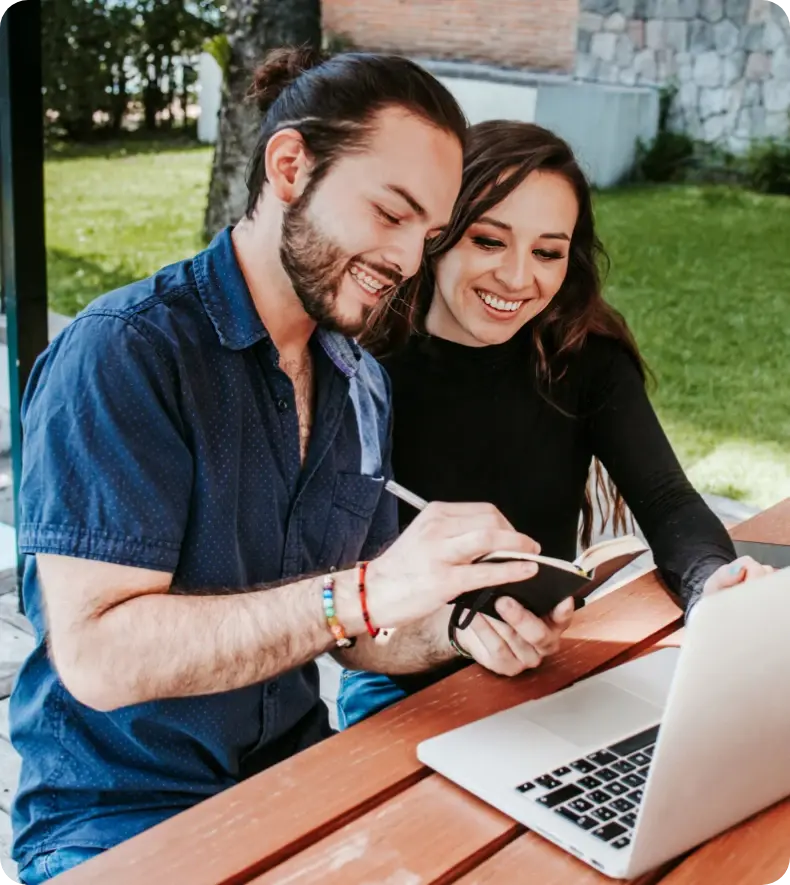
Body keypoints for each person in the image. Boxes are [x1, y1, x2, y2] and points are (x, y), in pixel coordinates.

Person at [9, 51, 552, 884]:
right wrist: (368, 589)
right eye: (390, 213)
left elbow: (359, 641)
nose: (408, 261)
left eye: (428, 235)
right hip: (116, 820)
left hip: (297, 778)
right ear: (291, 166)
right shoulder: (125, 354)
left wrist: (458, 623)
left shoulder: (361, 380)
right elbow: (100, 657)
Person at [336, 120, 773, 728]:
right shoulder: (360, 370)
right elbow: (339, 612)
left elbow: (668, 499)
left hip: (553, 661)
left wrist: (711, 584)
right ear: (437, 236)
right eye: (489, 241)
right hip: (398, 682)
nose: (519, 279)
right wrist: (455, 634)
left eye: (547, 252)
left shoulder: (581, 356)